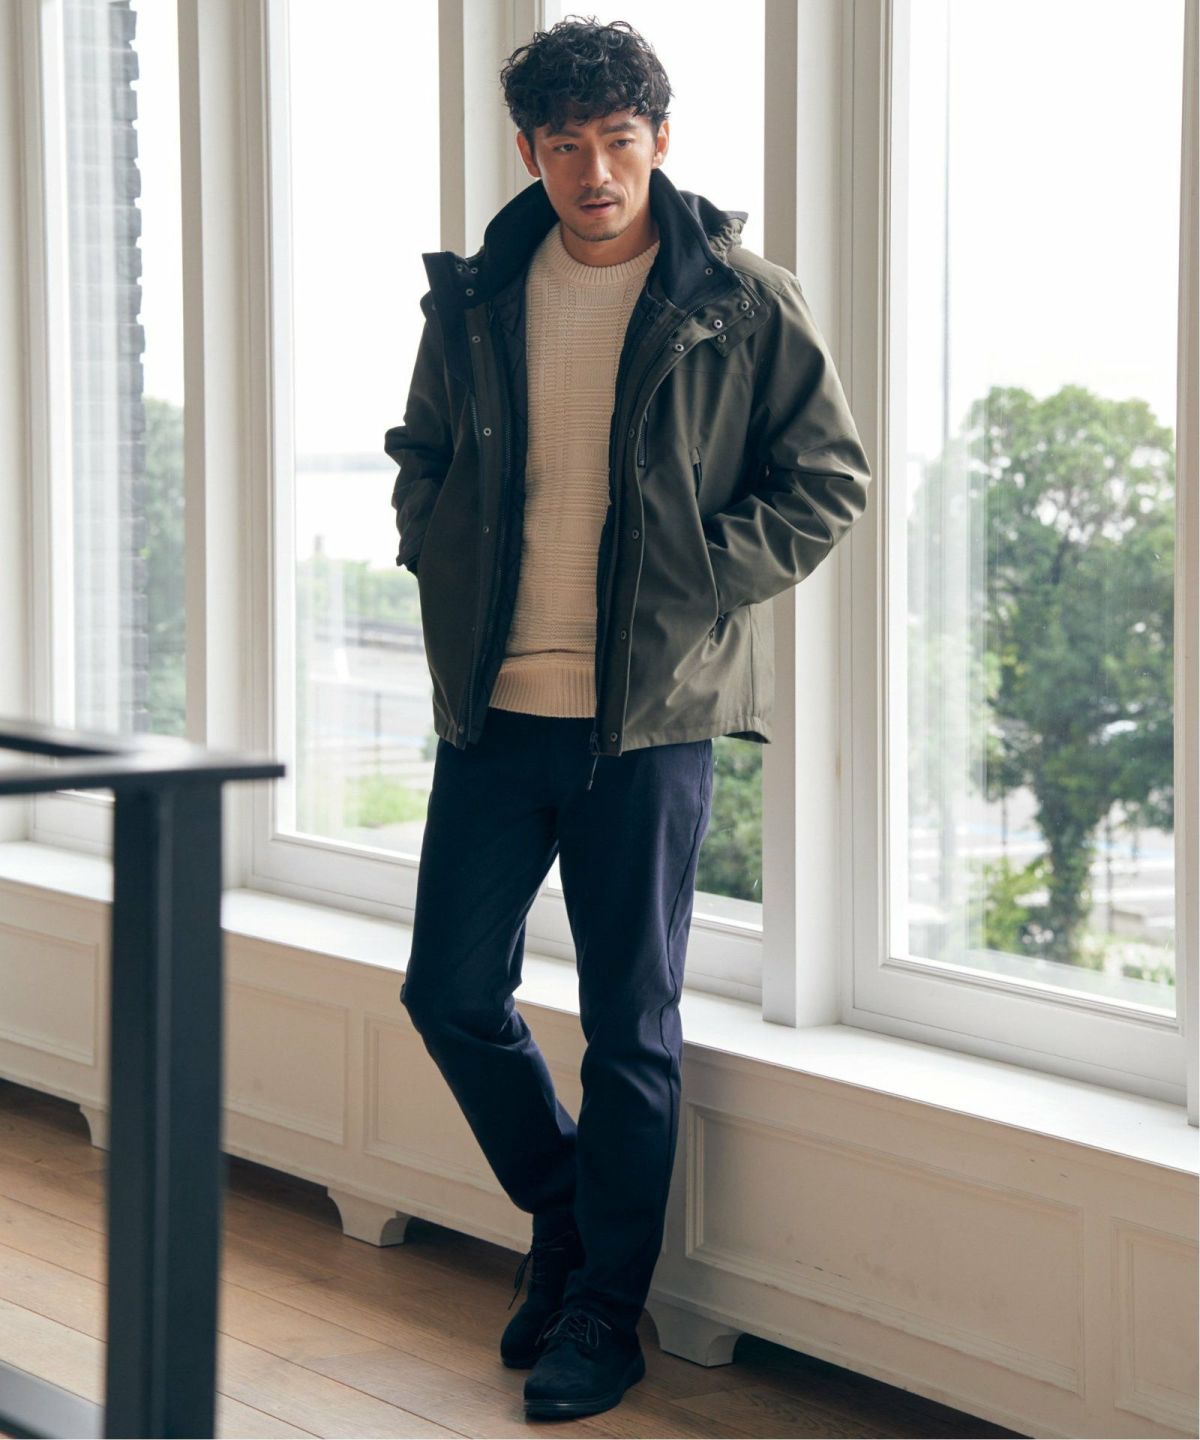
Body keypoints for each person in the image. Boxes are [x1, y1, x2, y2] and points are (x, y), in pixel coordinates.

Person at [384, 16, 872, 1422]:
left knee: (629, 1028)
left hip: (647, 722)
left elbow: (828, 479)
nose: (594, 172)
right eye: (565, 147)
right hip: (495, 711)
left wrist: (697, 575)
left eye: (618, 141)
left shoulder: (742, 300)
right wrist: (435, 544)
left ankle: (605, 1312)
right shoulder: (479, 297)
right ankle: (569, 1215)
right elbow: (423, 456)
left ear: (660, 139)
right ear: (528, 152)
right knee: (447, 992)